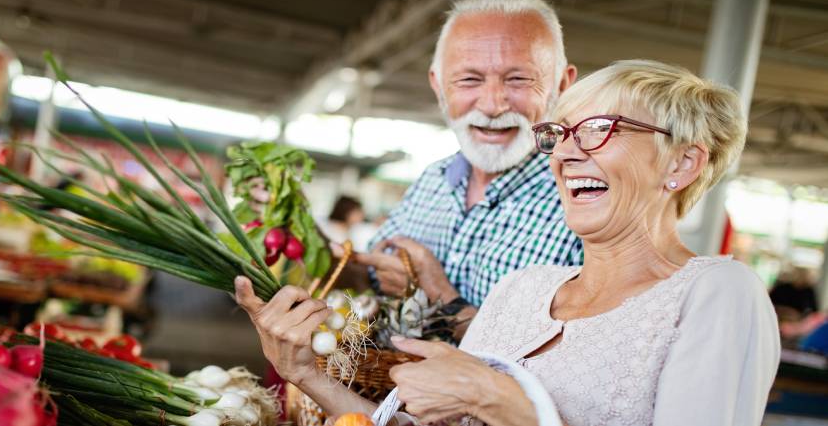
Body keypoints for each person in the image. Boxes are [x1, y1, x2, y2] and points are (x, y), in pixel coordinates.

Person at [234, 59, 781, 425]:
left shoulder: (716, 293)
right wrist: (304, 370)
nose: (565, 154)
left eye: (599, 129)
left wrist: (501, 401)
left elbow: (488, 404)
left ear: (683, 162)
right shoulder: (522, 289)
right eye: (561, 135)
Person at [249, 0, 582, 333]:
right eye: (469, 79)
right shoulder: (433, 179)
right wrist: (299, 225)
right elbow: (368, 282)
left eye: (518, 79)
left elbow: (568, 358)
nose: (493, 104)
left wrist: (438, 295)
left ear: (562, 84)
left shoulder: (584, 199)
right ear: (438, 86)